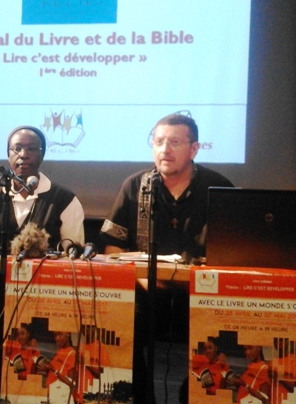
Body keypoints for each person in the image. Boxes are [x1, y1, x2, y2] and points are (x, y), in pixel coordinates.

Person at [99, 112, 234, 403]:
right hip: (146, 291)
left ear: (194, 148)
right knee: (116, 321)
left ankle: (194, 395)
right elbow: (112, 249)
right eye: (159, 141)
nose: (164, 150)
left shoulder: (219, 188)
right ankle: (139, 395)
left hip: (201, 293)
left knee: (217, 332)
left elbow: (234, 255)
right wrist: (142, 281)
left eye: (174, 142)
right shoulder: (136, 186)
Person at [0, 125, 85, 251]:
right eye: (17, 148)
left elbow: (74, 257)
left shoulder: (65, 200)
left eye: (32, 149)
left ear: (42, 154)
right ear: (8, 154)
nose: (23, 155)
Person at [38, 331, 79, 403]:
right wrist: (47, 369)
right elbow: (58, 373)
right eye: (55, 335)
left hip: (61, 398)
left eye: (60, 334)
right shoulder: (60, 351)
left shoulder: (72, 354)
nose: (57, 338)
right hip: (53, 395)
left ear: (68, 334)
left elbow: (72, 383)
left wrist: (53, 370)